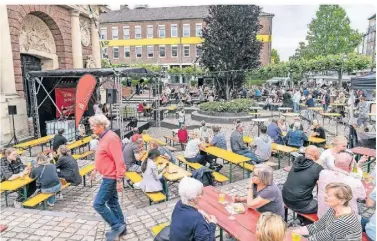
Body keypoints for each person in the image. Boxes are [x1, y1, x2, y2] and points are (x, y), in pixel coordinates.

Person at [89, 114, 126, 240]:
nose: (91, 128)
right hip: (108, 175)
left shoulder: (111, 138)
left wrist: (119, 179)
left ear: (101, 126)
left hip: (111, 177)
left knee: (98, 204)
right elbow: (102, 156)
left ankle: (116, 226)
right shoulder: (103, 137)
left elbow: (119, 160)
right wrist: (95, 169)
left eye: (93, 126)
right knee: (112, 202)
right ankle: (122, 226)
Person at [291, 183, 362, 241]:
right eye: (326, 193)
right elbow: (319, 225)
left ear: (341, 200)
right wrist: (298, 231)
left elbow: (319, 238)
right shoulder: (335, 208)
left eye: (329, 195)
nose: (324, 196)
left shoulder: (343, 221)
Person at [317, 152, 366, 218]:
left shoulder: (323, 174)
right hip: (344, 223)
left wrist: (356, 165)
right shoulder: (354, 182)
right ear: (351, 165)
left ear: (334, 162)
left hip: (322, 216)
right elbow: (362, 197)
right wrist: (355, 166)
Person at [170, 177, 217, 241]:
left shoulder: (179, 204)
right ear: (193, 199)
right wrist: (212, 224)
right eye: (201, 193)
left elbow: (189, 217)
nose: (202, 195)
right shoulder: (198, 219)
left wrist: (197, 210)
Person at [283, 146, 323, 215]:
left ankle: (300, 218)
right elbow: (322, 185)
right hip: (301, 205)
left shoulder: (297, 161)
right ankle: (304, 222)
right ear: (317, 155)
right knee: (324, 207)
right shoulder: (318, 168)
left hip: (286, 198)